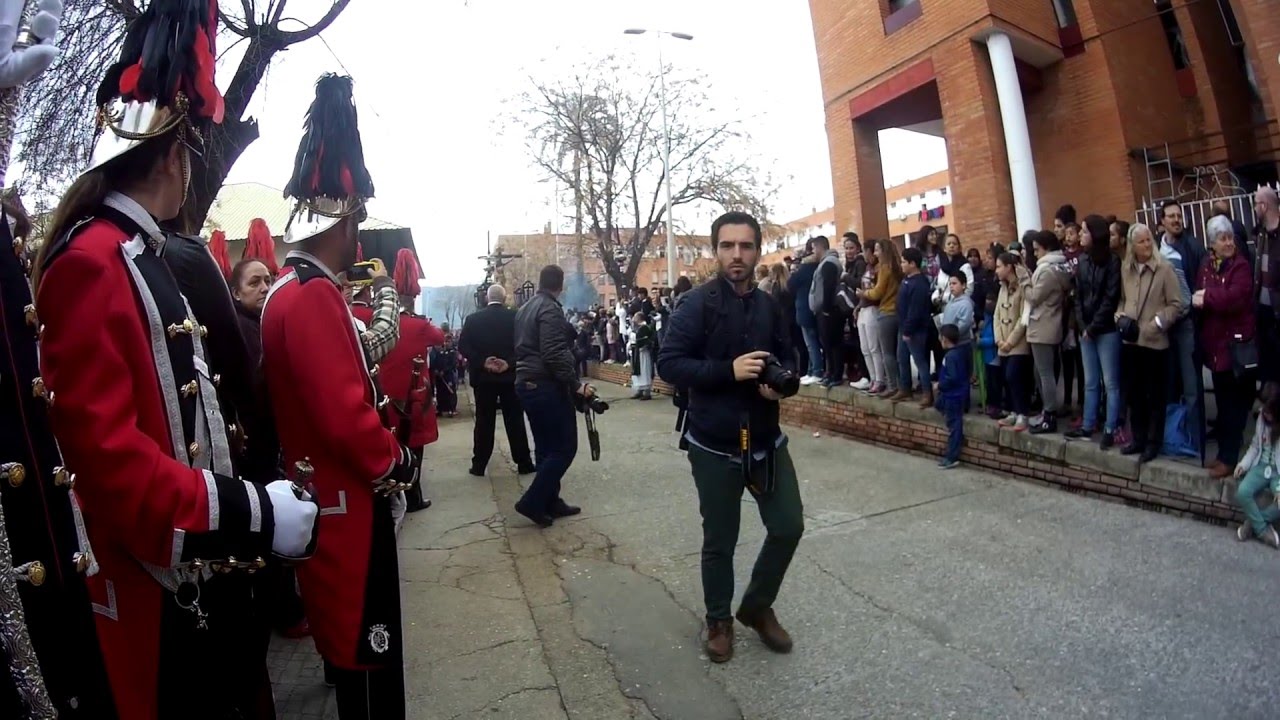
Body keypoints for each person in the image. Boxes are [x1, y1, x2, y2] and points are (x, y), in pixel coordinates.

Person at [31, 5, 319, 718]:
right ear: (172, 157)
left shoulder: (144, 252)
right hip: (153, 584)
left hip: (194, 567)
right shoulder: (93, 261)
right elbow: (110, 463)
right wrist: (251, 511)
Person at [260, 73, 414, 720]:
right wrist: (394, 460)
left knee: (354, 666)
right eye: (356, 223)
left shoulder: (289, 290)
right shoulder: (316, 296)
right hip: (348, 503)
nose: (359, 238)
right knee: (369, 674)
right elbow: (345, 415)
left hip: (322, 495)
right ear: (344, 221)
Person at [657, 211, 803, 664]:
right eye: (727, 245)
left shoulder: (769, 305)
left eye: (745, 246)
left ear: (757, 251)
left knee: (788, 526)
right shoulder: (695, 304)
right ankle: (718, 619)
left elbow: (791, 355)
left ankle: (756, 607)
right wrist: (728, 371)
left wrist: (781, 384)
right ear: (715, 250)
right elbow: (669, 364)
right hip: (713, 443)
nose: (736, 254)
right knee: (720, 540)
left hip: (766, 439)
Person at [514, 265, 589, 528]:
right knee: (564, 447)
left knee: (545, 447)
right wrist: (574, 383)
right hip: (546, 384)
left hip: (527, 382)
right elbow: (553, 352)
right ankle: (533, 501)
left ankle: (550, 501)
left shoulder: (525, 308)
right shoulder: (550, 309)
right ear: (561, 285)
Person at [1195, 214, 1256, 479]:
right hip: (1216, 348)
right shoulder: (1207, 265)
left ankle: (1229, 458)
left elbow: (1234, 298)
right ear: (1212, 243)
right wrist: (1205, 297)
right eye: (1223, 238)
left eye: (1230, 237)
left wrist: (1207, 296)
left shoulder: (1240, 266)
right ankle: (1223, 455)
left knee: (1234, 407)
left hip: (1236, 347)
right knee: (1222, 405)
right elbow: (1199, 292)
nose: (1229, 242)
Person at [1118, 223, 1185, 463]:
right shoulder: (1126, 269)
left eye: (1149, 240)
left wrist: (1157, 323)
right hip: (1131, 341)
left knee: (1154, 396)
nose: (1147, 245)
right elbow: (1122, 300)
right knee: (1134, 394)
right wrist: (1120, 317)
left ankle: (1153, 443)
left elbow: (1176, 304)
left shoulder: (1164, 269)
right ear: (1132, 246)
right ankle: (1138, 439)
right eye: (1141, 241)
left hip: (1155, 343)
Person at [459, 284, 535, 477]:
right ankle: (524, 463)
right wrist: (509, 363)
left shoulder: (473, 320)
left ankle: (479, 465)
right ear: (504, 298)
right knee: (515, 420)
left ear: (486, 298)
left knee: (484, 422)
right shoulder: (516, 317)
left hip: (483, 378)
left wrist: (482, 362)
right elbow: (525, 346)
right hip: (510, 377)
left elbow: (463, 347)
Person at [1067, 215, 1123, 449]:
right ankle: (1088, 424)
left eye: (1084, 231)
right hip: (1086, 330)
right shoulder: (1082, 261)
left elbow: (1110, 298)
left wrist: (1093, 327)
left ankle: (1110, 427)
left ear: (1095, 234)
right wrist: (1083, 326)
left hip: (1106, 329)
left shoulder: (1112, 262)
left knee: (1110, 382)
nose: (1080, 235)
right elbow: (1078, 297)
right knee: (1090, 381)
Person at [1025, 230, 1071, 434]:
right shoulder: (1060, 266)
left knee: (1045, 373)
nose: (1035, 254)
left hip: (1043, 324)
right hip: (1050, 322)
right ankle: (1047, 410)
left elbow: (1034, 297)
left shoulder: (1047, 270)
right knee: (1041, 371)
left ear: (1046, 248)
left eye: (1037, 250)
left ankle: (1049, 414)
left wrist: (1024, 280)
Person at [1233, 382, 1280, 548]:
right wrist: (1243, 464)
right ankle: (1262, 529)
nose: (1265, 414)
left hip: (1278, 472)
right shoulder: (1261, 418)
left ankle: (1252, 526)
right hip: (1261, 465)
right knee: (1242, 491)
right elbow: (1255, 446)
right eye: (1264, 410)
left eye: (1269, 412)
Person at [995, 252, 1033, 432]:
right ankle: (1012, 411)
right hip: (1002, 342)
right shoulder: (1002, 287)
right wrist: (999, 339)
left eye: (999, 266)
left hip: (1018, 343)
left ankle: (1022, 413)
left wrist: (1010, 342)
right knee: (1006, 378)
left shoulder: (1023, 287)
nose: (996, 270)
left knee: (1015, 376)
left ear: (1009, 267)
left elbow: (1022, 318)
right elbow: (997, 315)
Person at [894, 247, 934, 406]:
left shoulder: (919, 284)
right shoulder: (906, 280)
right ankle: (905, 388)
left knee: (920, 361)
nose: (901, 265)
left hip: (915, 330)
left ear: (913, 264)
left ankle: (927, 393)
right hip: (903, 326)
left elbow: (915, 310)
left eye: (904, 262)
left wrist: (908, 330)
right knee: (901, 358)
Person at [935, 324, 969, 469]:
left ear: (944, 338)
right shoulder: (960, 353)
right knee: (940, 406)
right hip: (955, 395)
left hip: (953, 396)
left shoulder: (950, 356)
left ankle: (952, 457)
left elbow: (953, 377)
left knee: (954, 426)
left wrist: (940, 385)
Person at [631, 311, 657, 399]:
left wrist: (644, 345)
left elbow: (648, 339)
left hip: (643, 352)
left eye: (635, 317)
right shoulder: (637, 327)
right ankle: (639, 390)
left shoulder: (645, 327)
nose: (634, 319)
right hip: (637, 353)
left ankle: (647, 392)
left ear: (639, 318)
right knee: (638, 371)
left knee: (644, 371)